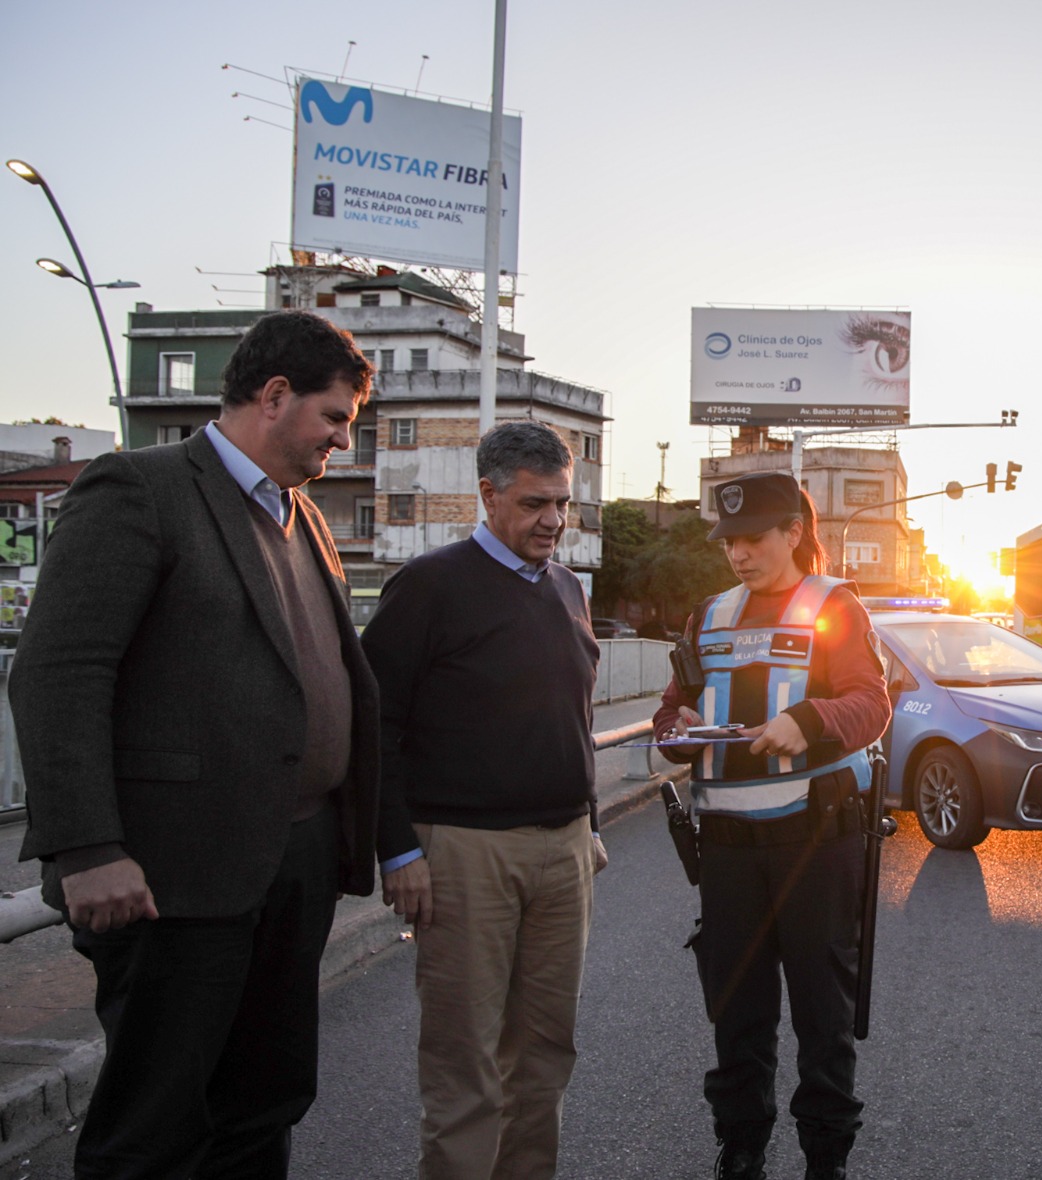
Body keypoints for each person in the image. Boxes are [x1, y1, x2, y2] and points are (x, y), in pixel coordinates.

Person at [10, 309, 379, 1178]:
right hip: (173, 877)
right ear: (275, 395)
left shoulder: (305, 518)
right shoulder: (139, 488)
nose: (342, 443)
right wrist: (89, 846)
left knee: (263, 1106)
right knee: (155, 1130)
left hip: (290, 870)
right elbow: (59, 674)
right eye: (335, 419)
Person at [359, 420, 605, 1180]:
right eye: (535, 504)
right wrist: (398, 847)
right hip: (463, 852)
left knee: (544, 1053)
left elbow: (572, 714)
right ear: (489, 494)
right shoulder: (430, 585)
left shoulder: (566, 587)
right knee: (466, 1063)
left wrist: (587, 825)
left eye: (563, 504)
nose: (554, 522)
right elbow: (375, 726)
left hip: (563, 852)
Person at [653, 471, 891, 1180]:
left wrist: (806, 722)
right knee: (738, 1016)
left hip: (815, 845)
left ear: (793, 533)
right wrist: (682, 731)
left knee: (823, 1016)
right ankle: (742, 1146)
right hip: (727, 853)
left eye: (753, 539)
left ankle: (826, 1157)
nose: (738, 554)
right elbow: (670, 717)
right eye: (729, 541)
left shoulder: (834, 607)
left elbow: (871, 704)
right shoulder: (709, 615)